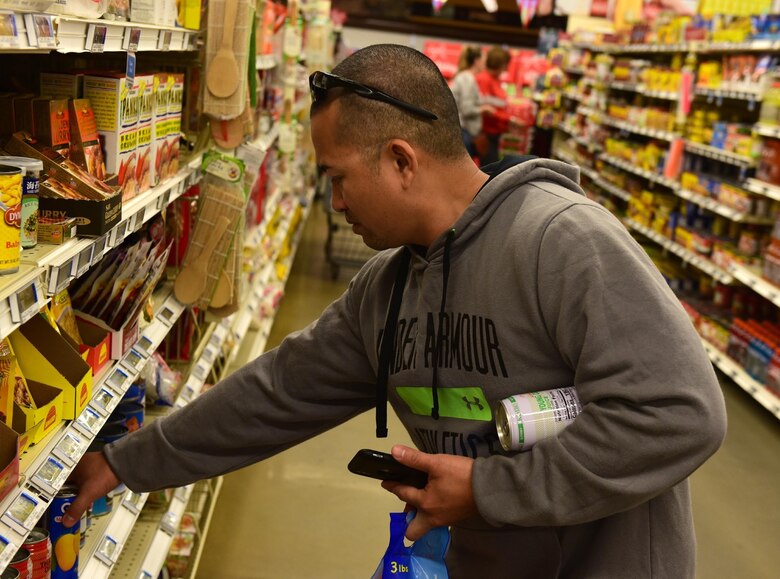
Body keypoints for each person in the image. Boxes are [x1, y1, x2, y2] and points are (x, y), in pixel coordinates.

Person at [65, 44, 727, 578]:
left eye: (338, 177)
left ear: (401, 160)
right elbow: (274, 394)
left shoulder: (562, 241)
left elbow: (680, 412)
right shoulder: (386, 289)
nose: (336, 200)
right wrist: (126, 460)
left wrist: (491, 490)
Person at [449, 45, 491, 159]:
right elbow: (467, 109)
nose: (485, 64)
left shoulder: (465, 77)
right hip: (463, 133)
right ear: (476, 61)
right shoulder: (467, 79)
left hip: (462, 132)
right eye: (484, 60)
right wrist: (484, 109)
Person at [475, 45, 512, 165]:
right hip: (486, 133)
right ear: (501, 64)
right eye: (506, 64)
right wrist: (510, 119)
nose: (506, 68)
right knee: (489, 168)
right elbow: (487, 109)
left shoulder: (496, 80)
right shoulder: (485, 80)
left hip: (495, 132)